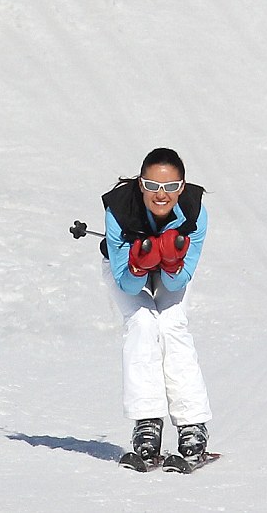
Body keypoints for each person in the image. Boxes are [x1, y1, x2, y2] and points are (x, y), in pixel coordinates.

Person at [100, 147, 211, 462]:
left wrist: (172, 263)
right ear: (140, 184)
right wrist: (138, 264)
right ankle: (147, 421)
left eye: (171, 187)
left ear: (182, 185)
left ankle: (192, 423)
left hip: (169, 271)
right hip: (123, 269)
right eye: (151, 186)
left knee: (172, 323)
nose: (161, 195)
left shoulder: (194, 212)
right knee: (142, 323)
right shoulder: (119, 210)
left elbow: (179, 282)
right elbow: (127, 283)